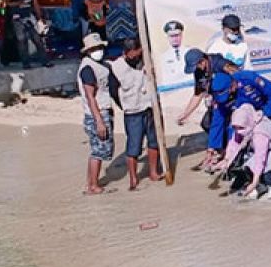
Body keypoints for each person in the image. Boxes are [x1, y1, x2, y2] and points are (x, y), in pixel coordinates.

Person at [110, 38, 164, 190]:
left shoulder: (147, 60)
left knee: (154, 141)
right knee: (133, 146)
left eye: (137, 53)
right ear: (126, 53)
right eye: (132, 54)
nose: (136, 56)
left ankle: (153, 172)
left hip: (149, 106)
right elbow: (113, 90)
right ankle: (133, 178)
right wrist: (124, 106)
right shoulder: (116, 67)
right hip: (132, 111)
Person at [76, 33, 117, 195]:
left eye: (99, 47)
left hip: (102, 111)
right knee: (99, 151)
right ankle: (93, 185)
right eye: (94, 48)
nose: (98, 51)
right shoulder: (87, 68)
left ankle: (91, 183)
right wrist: (99, 120)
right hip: (96, 114)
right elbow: (90, 97)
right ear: (88, 51)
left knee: (98, 150)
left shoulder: (102, 65)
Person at [7, 0, 51, 69]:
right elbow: (8, 3)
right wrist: (18, 2)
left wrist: (39, 16)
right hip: (17, 16)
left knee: (37, 38)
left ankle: (44, 61)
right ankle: (25, 63)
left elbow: (35, 2)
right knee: (22, 40)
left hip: (29, 15)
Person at [159, 20, 189, 88]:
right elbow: (165, 79)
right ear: (167, 37)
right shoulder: (163, 57)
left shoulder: (190, 52)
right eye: (171, 36)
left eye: (177, 35)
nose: (175, 39)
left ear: (181, 35)